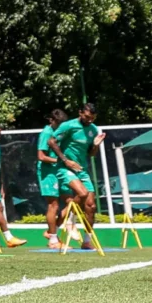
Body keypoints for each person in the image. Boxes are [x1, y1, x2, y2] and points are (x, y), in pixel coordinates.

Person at [48, 103, 106, 249]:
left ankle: (86, 241)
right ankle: (69, 222)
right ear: (80, 113)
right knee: (82, 193)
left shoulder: (93, 129)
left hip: (82, 170)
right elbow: (51, 142)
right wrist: (65, 160)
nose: (89, 120)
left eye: (92, 118)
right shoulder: (68, 126)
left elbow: (91, 154)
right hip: (65, 168)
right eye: (87, 117)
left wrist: (97, 145)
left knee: (91, 206)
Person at [37, 109, 69, 247]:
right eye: (58, 123)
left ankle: (51, 231)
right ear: (51, 120)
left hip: (60, 172)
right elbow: (41, 156)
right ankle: (53, 240)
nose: (60, 126)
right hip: (47, 173)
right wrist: (60, 161)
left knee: (72, 202)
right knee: (53, 205)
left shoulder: (59, 133)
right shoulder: (46, 133)